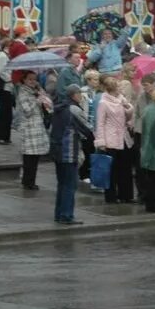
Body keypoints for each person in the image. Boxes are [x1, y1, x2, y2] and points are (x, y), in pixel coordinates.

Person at [49, 84, 89, 225]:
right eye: (80, 94)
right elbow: (87, 129)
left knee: (62, 184)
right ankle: (67, 215)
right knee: (70, 185)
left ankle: (59, 213)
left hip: (57, 149)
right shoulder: (74, 109)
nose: (81, 96)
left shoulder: (59, 108)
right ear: (74, 95)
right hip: (69, 150)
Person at [94, 76, 135, 204]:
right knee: (111, 170)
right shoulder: (103, 103)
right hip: (110, 139)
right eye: (118, 87)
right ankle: (111, 196)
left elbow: (127, 117)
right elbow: (100, 123)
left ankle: (126, 195)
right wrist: (101, 142)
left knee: (125, 168)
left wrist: (128, 108)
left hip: (123, 137)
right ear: (112, 89)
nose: (120, 89)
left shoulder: (121, 100)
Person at [16, 73, 52, 190]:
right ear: (24, 80)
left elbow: (49, 106)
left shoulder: (37, 90)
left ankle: (31, 180)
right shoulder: (22, 92)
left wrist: (45, 100)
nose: (32, 81)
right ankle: (27, 181)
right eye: (29, 79)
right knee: (29, 157)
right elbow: (27, 111)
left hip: (38, 126)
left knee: (36, 157)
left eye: (34, 79)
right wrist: (37, 101)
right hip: (29, 127)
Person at [131, 73, 155, 200]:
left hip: (153, 133)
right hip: (140, 133)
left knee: (152, 164)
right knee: (140, 164)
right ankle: (141, 192)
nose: (144, 88)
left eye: (146, 85)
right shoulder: (141, 96)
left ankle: (151, 193)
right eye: (143, 85)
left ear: (154, 84)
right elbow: (136, 113)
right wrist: (134, 126)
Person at [0, 40, 13, 144]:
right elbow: (1, 71)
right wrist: (10, 79)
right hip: (5, 86)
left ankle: (4, 136)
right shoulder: (3, 56)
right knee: (4, 112)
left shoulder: (2, 55)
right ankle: (1, 136)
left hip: (6, 86)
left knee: (6, 112)